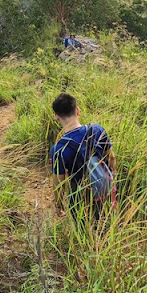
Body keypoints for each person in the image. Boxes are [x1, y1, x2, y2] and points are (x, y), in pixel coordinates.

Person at [50, 93, 115, 222]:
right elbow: (111, 157)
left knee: (81, 225)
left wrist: (59, 205)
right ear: (78, 111)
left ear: (56, 117)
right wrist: (110, 176)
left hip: (80, 192)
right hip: (105, 184)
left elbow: (59, 184)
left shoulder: (58, 149)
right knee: (105, 220)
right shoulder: (96, 129)